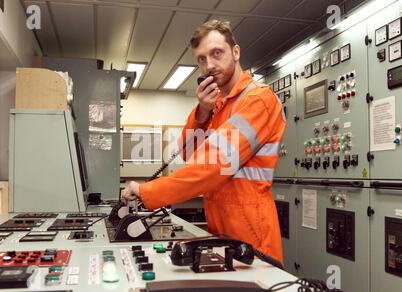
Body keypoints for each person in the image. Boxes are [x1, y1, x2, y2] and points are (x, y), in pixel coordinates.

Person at [122, 20, 286, 264]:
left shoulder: (258, 100)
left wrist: (147, 191)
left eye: (216, 53)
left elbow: (212, 165)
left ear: (236, 52)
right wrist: (201, 112)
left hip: (252, 240)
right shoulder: (217, 105)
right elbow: (188, 153)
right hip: (220, 233)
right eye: (201, 59)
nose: (209, 65)